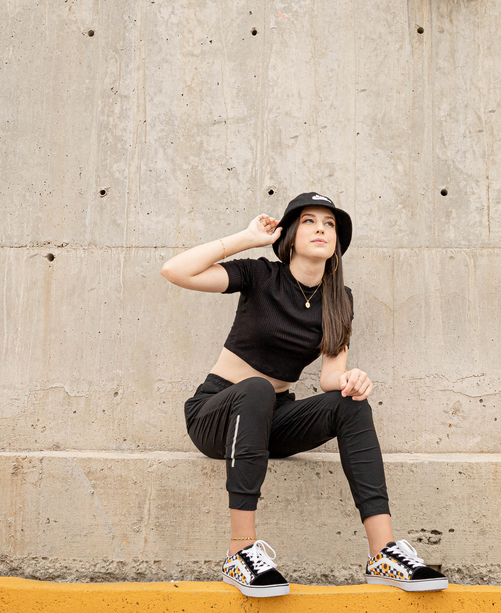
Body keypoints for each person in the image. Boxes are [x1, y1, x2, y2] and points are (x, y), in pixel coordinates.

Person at [160, 192, 448, 597]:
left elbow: (331, 374)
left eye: (329, 224)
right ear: (291, 234)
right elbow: (175, 271)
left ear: (337, 241)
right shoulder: (261, 276)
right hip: (217, 415)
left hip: (272, 420)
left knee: (351, 404)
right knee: (256, 388)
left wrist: (351, 380)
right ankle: (239, 553)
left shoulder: (339, 299)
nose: (321, 229)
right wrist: (246, 238)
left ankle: (383, 552)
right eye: (310, 221)